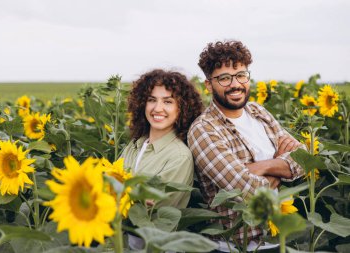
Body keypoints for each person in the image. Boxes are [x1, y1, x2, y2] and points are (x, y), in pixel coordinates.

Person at [187, 40, 305, 251]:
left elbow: (304, 159)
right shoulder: (203, 130)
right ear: (208, 85)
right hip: (235, 245)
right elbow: (246, 193)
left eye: (241, 75)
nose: (235, 84)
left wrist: (263, 167)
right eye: (224, 78)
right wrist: (281, 164)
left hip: (278, 236)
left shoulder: (258, 112)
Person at [122, 69, 203, 209]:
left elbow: (152, 209)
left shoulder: (179, 156)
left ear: (182, 108)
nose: (158, 108)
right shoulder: (135, 145)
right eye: (152, 100)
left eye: (168, 101)